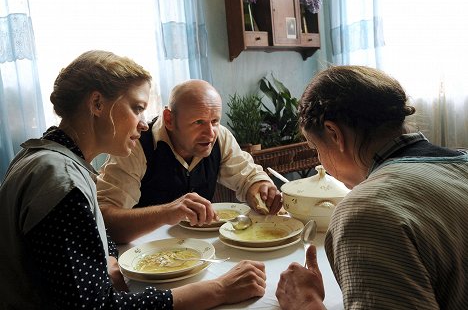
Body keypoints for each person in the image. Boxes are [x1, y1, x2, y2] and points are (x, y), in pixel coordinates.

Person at [0, 50, 267, 309]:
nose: (143, 124)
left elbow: (92, 234)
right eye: (137, 108)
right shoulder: (61, 181)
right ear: (97, 104)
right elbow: (99, 307)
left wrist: (108, 256)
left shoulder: (43, 158)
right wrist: (218, 289)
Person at [276, 65, 468, 309]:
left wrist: (305, 302)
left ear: (334, 134)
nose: (321, 161)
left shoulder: (367, 211)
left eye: (316, 149)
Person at [97, 79, 282, 243]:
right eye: (198, 122)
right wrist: (166, 213)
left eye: (215, 121)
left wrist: (261, 187)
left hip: (205, 250)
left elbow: (248, 177)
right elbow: (104, 219)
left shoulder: (220, 137)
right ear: (169, 119)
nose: (210, 133)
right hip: (146, 257)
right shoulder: (135, 145)